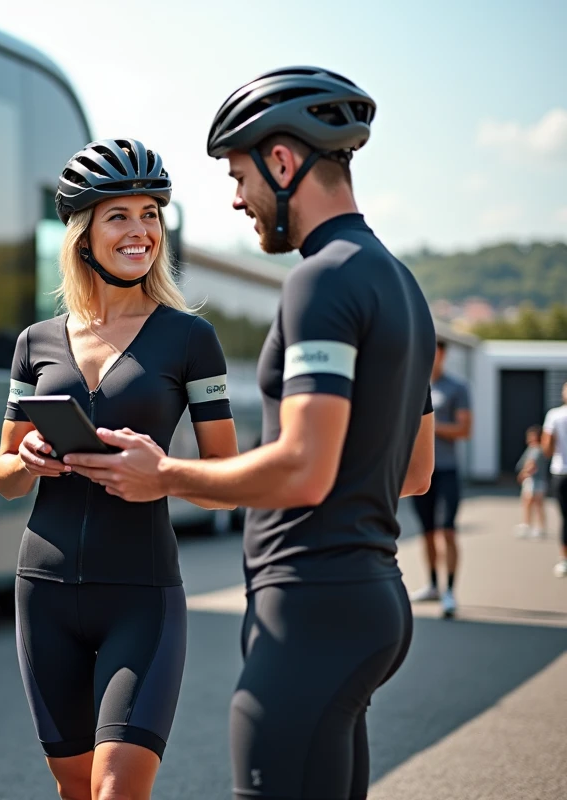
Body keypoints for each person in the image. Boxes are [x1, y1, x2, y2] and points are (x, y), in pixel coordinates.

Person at [63, 67, 436, 800]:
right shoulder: (399, 282)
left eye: (239, 175)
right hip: (374, 599)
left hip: (310, 605)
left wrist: (166, 474)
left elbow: (301, 468)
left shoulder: (320, 280)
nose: (237, 197)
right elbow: (415, 469)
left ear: (283, 162)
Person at [0, 138, 239, 800]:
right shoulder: (36, 343)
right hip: (42, 590)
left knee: (117, 791)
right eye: (120, 216)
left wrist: (164, 474)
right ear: (84, 234)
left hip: (142, 592)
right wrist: (30, 460)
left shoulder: (191, 339)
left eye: (150, 214)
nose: (140, 231)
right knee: (75, 789)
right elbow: (2, 473)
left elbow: (228, 476)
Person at [409, 338, 472, 616]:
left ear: (443, 355)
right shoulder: (411, 384)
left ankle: (449, 592)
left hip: (446, 470)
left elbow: (464, 430)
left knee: (447, 531)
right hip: (418, 473)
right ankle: (433, 585)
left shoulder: (457, 387)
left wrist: (428, 425)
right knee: (427, 534)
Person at [543, 381, 567, 576]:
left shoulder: (555, 415)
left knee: (565, 518)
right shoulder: (555, 415)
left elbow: (547, 447)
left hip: (561, 472)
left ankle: (564, 559)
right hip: (561, 471)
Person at [515, 425, 549, 539]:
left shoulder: (536, 449)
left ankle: (534, 526)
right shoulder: (533, 448)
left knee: (533, 503)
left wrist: (524, 473)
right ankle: (533, 526)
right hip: (536, 480)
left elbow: (532, 464)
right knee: (532, 503)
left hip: (535, 480)